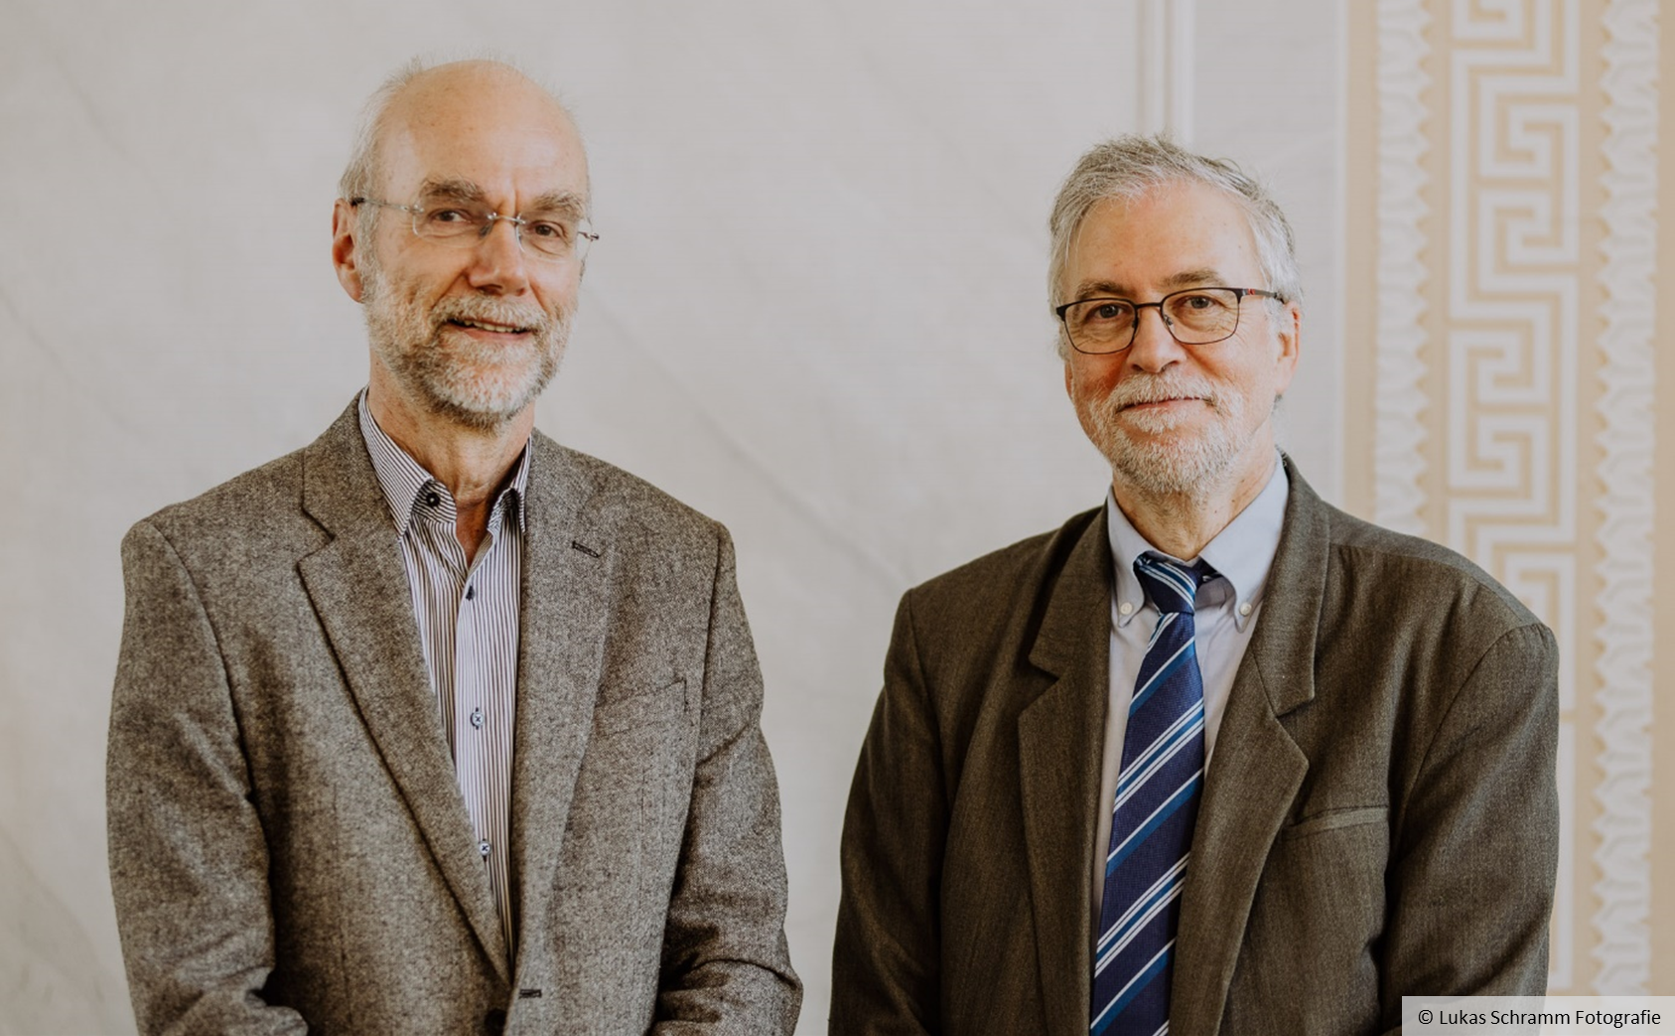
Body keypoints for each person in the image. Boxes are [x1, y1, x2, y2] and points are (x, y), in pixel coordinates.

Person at [107, 58, 800, 1036]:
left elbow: (739, 967)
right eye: (451, 213)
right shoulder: (200, 575)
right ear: (351, 247)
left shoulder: (684, 570)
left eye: (545, 226)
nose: (505, 266)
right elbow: (204, 1001)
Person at [831, 135, 1558, 1035]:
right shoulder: (948, 639)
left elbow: (1470, 1018)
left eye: (1199, 302)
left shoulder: (1461, 643)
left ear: (1284, 340)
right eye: (1104, 311)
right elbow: (881, 1007)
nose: (1151, 349)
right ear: (1066, 362)